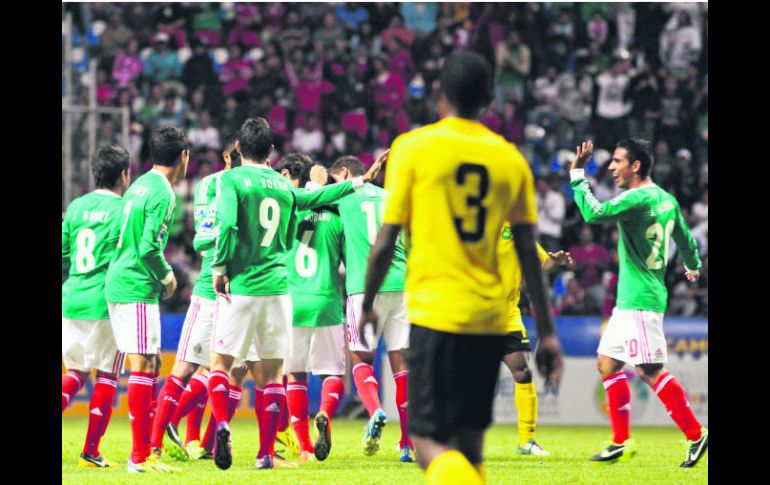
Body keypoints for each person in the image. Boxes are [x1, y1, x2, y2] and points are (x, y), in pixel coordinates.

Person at [359, 51, 563, 485]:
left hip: (435, 311)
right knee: (470, 444)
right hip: (489, 318)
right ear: (489, 99)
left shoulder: (412, 148)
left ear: (440, 96)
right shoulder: (509, 159)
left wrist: (368, 305)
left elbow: (386, 239)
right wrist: (546, 332)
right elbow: (529, 253)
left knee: (427, 442)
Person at [206, 118, 379, 470]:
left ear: (238, 148)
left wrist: (219, 268)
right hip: (281, 292)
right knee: (273, 375)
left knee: (221, 365)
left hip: (244, 285)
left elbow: (225, 224)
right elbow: (324, 195)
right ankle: (266, 454)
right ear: (270, 151)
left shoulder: (231, 179)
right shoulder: (283, 188)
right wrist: (360, 180)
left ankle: (222, 422)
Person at [569, 139, 707, 467]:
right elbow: (686, 239)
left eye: (617, 161)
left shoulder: (635, 198)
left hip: (640, 300)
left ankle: (696, 434)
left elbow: (594, 212)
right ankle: (620, 441)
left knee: (649, 371)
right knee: (607, 363)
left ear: (636, 166)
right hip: (634, 298)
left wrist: (577, 174)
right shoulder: (666, 199)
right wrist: (693, 266)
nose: (612, 167)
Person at [277, 152, 384, 463]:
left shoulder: (291, 210)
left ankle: (304, 448)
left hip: (293, 302)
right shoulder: (338, 218)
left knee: (295, 376)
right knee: (333, 374)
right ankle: (323, 412)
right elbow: (350, 259)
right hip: (327, 302)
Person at [149, 133, 240, 463]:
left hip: (228, 291)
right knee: (202, 369)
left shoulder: (214, 185)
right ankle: (162, 438)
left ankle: (192, 438)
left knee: (206, 370)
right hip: (225, 290)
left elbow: (202, 237)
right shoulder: (214, 185)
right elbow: (202, 238)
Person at [104, 126, 190, 473]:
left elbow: (118, 235)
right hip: (136, 285)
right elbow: (148, 247)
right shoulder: (163, 193)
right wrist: (168, 277)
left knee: (151, 363)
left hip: (123, 281)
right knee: (142, 366)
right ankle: (139, 457)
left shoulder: (138, 184)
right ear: (183, 156)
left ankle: (146, 452)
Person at [328, 154, 414, 463]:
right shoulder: (390, 197)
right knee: (402, 365)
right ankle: (407, 444)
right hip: (403, 284)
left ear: (343, 173)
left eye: (334, 179)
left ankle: (375, 410)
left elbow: (311, 202)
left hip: (366, 286)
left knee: (360, 357)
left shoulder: (343, 196)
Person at [62, 145, 131, 468]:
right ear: (124, 174)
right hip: (106, 302)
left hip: (72, 297)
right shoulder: (125, 209)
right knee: (106, 374)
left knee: (75, 372)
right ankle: (90, 451)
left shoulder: (76, 207)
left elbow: (64, 252)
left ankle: (91, 451)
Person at [498, 226, 573, 456]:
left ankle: (526, 440)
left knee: (522, 371)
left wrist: (556, 261)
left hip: (508, 316)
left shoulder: (516, 226)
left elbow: (542, 264)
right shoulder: (475, 218)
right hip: (474, 314)